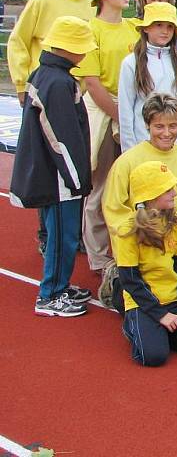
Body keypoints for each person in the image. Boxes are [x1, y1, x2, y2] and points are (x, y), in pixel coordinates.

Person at [10, 16, 95, 316]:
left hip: (55, 174)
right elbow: (60, 137)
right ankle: (51, 295)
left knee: (62, 233)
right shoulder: (57, 82)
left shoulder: (46, 75)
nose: (85, 53)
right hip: (60, 178)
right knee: (63, 235)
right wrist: (76, 179)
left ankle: (60, 283)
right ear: (68, 49)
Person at [100, 94, 177, 307]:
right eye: (159, 126)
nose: (167, 133)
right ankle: (118, 278)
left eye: (173, 125)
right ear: (148, 125)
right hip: (141, 240)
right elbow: (114, 210)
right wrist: (144, 233)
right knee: (136, 307)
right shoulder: (127, 162)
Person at [111, 161, 177, 366]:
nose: (174, 193)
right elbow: (131, 280)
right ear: (150, 195)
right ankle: (133, 324)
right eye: (167, 189)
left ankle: (163, 332)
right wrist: (160, 315)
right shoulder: (127, 231)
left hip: (174, 297)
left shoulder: (175, 224)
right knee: (153, 357)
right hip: (143, 301)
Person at [71, 0, 138, 273]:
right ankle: (99, 257)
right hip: (103, 112)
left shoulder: (133, 29)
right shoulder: (91, 30)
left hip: (131, 111)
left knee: (130, 188)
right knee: (101, 188)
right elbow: (93, 83)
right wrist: (121, 118)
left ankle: (129, 251)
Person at [8, 0, 97, 106]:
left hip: (82, 94)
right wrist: (21, 85)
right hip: (43, 89)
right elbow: (18, 41)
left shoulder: (96, 4)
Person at [118, 2, 177, 154]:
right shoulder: (131, 63)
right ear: (146, 28)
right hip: (144, 143)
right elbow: (125, 111)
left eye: (170, 27)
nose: (165, 31)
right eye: (158, 25)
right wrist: (129, 151)